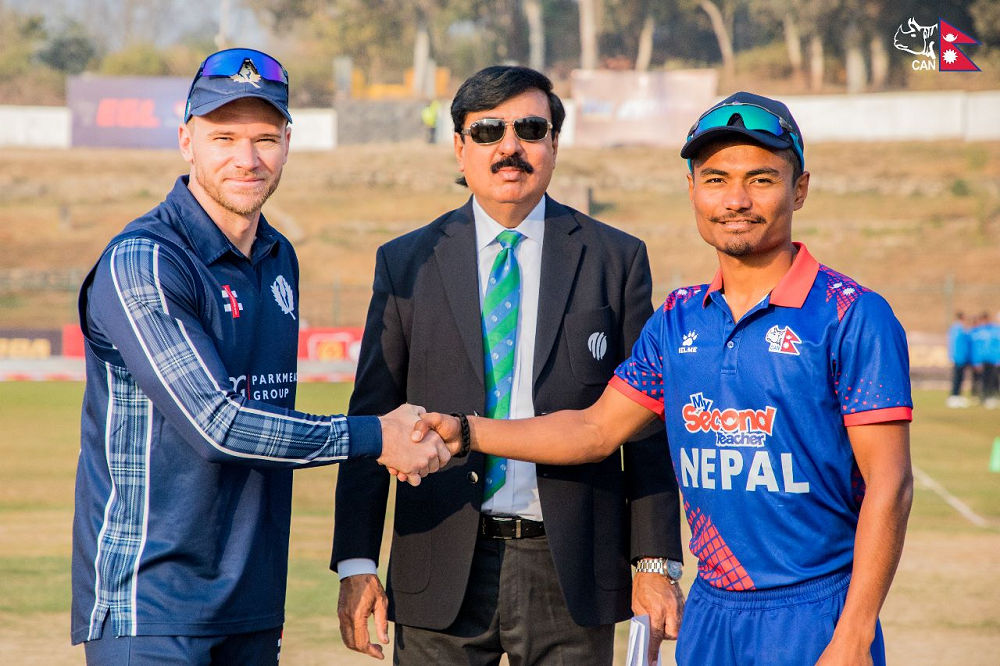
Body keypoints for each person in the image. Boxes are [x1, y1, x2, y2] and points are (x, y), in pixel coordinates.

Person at [417, 92, 914, 666]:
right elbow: (594, 431)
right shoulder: (678, 318)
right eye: (716, 180)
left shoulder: (852, 314)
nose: (735, 200)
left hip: (814, 612)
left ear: (799, 189)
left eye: (761, 180)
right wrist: (467, 432)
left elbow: (891, 484)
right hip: (711, 611)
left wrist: (854, 634)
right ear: (692, 189)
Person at [70, 48, 449, 665]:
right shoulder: (143, 260)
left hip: (253, 602)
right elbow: (216, 425)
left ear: (288, 144)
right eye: (223, 138)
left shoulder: (278, 256)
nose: (246, 159)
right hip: (151, 608)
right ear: (186, 141)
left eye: (265, 139)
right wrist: (377, 436)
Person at [331, 65, 684, 666]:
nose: (509, 147)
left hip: (572, 570)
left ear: (554, 143)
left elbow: (646, 427)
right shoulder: (406, 262)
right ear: (460, 147)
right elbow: (371, 417)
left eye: (530, 129)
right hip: (437, 560)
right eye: (489, 130)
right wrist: (357, 563)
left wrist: (654, 563)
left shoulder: (616, 259)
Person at [947, 312, 971, 407]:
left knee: (960, 377)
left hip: (960, 357)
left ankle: (957, 396)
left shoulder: (957, 329)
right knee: (957, 377)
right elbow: (957, 345)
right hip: (959, 357)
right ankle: (954, 396)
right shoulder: (959, 329)